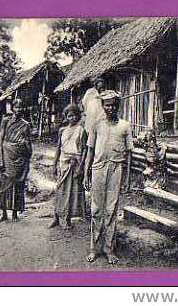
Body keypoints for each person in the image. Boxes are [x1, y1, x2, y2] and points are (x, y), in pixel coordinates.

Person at [84, 90, 133, 264]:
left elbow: (129, 155)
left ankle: (109, 249)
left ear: (118, 106)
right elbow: (90, 150)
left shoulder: (125, 126)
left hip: (116, 169)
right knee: (96, 209)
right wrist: (86, 174)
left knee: (111, 210)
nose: (110, 108)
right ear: (103, 106)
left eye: (113, 104)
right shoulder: (96, 124)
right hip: (98, 168)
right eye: (107, 105)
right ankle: (94, 248)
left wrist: (127, 179)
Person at [49, 104, 88, 230]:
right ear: (66, 117)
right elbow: (58, 149)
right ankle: (56, 217)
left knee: (72, 192)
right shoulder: (62, 130)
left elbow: (83, 150)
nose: (72, 118)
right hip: (63, 163)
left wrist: (81, 167)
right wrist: (54, 165)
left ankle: (68, 218)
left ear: (78, 116)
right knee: (60, 190)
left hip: (75, 163)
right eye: (69, 116)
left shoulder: (81, 131)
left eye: (74, 115)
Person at [0, 98, 32, 222]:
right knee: (5, 184)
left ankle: (15, 213)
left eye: (21, 107)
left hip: (19, 157)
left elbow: (29, 144)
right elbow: (0, 140)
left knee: (18, 185)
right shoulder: (5, 121)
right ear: (12, 108)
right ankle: (4, 213)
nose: (18, 110)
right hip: (7, 155)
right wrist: (0, 158)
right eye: (16, 107)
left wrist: (25, 145)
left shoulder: (26, 125)